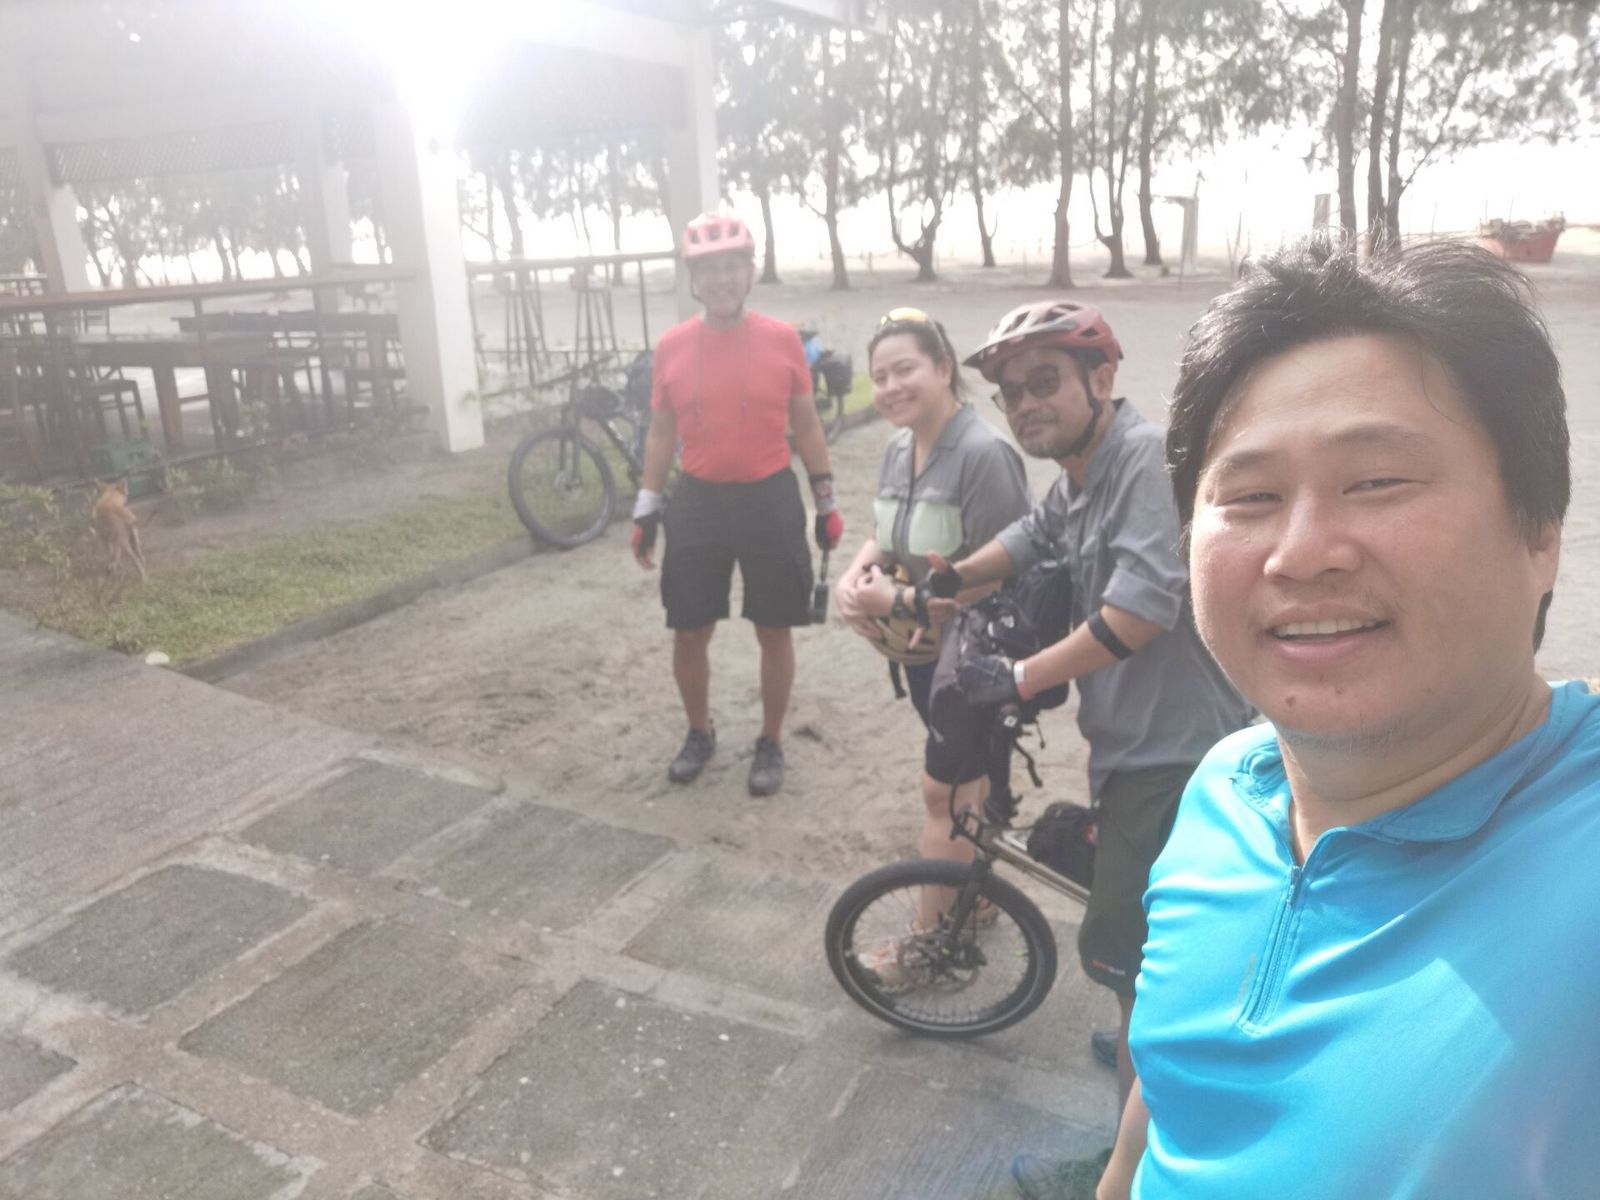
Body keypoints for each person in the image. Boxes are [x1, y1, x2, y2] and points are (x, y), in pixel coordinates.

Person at [1095, 239, 1597, 1200]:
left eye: (1376, 482)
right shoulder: (1223, 790)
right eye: (1250, 496)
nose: (1301, 553)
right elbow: (1164, 1109)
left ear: (1539, 531)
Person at [913, 300, 1252, 1160]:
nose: (1026, 403)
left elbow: (1140, 610)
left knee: (1133, 960)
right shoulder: (1083, 473)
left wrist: (1018, 677)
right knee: (1145, 938)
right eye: (1011, 392)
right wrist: (951, 578)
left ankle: (1130, 1165)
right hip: (1134, 746)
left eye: (1045, 382)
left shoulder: (1140, 461)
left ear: (1101, 378)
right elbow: (1033, 535)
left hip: (1171, 758)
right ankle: (1145, 1040)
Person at [832, 308, 1031, 945]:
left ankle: (929, 939)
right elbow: (885, 533)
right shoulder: (899, 448)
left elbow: (1005, 573)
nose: (890, 387)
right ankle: (976, 903)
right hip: (923, 660)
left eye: (905, 370)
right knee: (973, 787)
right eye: (879, 376)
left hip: (972, 663)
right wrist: (852, 580)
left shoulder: (984, 455)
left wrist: (898, 600)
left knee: (946, 795)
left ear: (944, 369)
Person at [632, 213, 843, 796]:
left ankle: (770, 740)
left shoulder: (782, 341)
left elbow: (806, 424)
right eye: (708, 270)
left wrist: (826, 502)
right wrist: (646, 508)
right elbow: (661, 431)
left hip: (769, 497)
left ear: (750, 274)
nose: (721, 279)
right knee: (689, 629)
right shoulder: (672, 347)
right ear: (693, 280)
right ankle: (699, 731)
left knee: (774, 629)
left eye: (732, 267)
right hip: (698, 500)